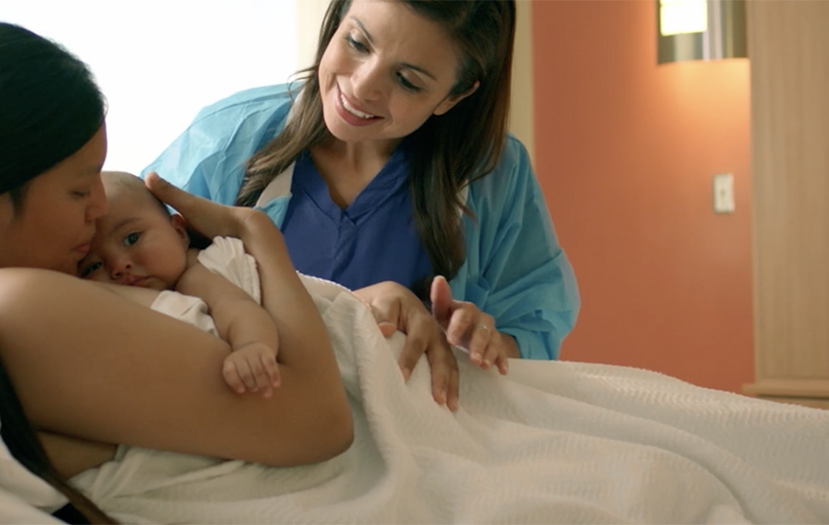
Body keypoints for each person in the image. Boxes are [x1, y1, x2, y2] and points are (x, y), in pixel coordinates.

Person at [0, 22, 352, 524]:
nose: (98, 209)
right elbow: (321, 424)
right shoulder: (20, 306)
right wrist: (258, 234)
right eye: (79, 189)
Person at [144, 0, 581, 411]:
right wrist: (343, 311)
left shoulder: (493, 174)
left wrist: (484, 343)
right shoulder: (228, 139)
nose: (361, 86)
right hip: (240, 419)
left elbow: (533, 327)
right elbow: (130, 285)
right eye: (357, 43)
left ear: (455, 95)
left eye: (407, 80)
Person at [78, 171, 282, 398]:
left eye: (131, 238)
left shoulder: (195, 273)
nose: (118, 265)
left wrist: (250, 346)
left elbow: (237, 308)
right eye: (92, 266)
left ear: (178, 232)